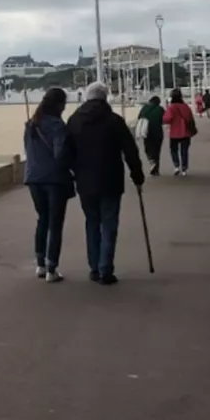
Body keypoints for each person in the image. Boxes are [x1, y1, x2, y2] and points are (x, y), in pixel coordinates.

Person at [64, 82, 145, 284]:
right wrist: (137, 174)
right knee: (109, 225)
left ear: (87, 97)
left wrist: (76, 170)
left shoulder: (74, 120)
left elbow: (66, 152)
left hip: (85, 182)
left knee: (92, 223)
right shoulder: (114, 120)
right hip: (110, 180)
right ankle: (105, 269)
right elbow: (130, 150)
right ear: (105, 98)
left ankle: (94, 268)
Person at [22, 87, 73, 283]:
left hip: (34, 177)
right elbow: (60, 154)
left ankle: (40, 264)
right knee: (55, 223)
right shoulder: (58, 125)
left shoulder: (30, 124)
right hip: (54, 179)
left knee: (42, 219)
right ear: (59, 105)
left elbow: (28, 151)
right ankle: (52, 268)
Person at [162, 88, 198, 176]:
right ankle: (184, 168)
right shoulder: (185, 107)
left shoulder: (171, 107)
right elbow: (190, 118)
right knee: (184, 150)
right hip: (186, 132)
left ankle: (176, 166)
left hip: (174, 132)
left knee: (174, 150)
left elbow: (167, 119)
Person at [136, 95, 166, 175]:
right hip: (158, 133)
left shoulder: (145, 108)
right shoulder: (160, 109)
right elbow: (164, 120)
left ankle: (151, 161)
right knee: (157, 151)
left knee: (148, 149)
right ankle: (156, 169)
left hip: (147, 132)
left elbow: (139, 117)